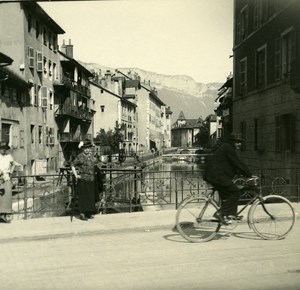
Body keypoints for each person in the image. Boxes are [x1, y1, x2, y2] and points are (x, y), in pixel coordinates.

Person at [203, 133, 253, 225]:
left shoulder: (227, 148)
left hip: (215, 175)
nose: (239, 144)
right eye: (237, 142)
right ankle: (220, 213)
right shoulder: (228, 148)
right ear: (232, 142)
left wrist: (242, 173)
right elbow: (238, 163)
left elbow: (233, 165)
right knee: (236, 192)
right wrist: (249, 175)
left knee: (229, 194)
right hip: (216, 176)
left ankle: (231, 214)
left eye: (240, 142)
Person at [71, 140, 98, 221]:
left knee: (90, 196)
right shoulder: (80, 156)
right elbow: (72, 165)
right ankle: (82, 213)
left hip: (91, 179)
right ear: (83, 149)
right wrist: (76, 175)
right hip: (83, 179)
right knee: (83, 196)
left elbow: (96, 163)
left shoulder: (92, 156)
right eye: (85, 148)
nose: (87, 150)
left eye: (89, 148)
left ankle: (88, 213)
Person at [0, 141, 15, 223]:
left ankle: (5, 214)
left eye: (5, 149)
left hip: (6, 177)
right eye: (2, 149)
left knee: (7, 196)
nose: (4, 151)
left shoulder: (9, 156)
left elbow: (13, 164)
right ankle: (0, 215)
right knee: (0, 197)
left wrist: (10, 172)